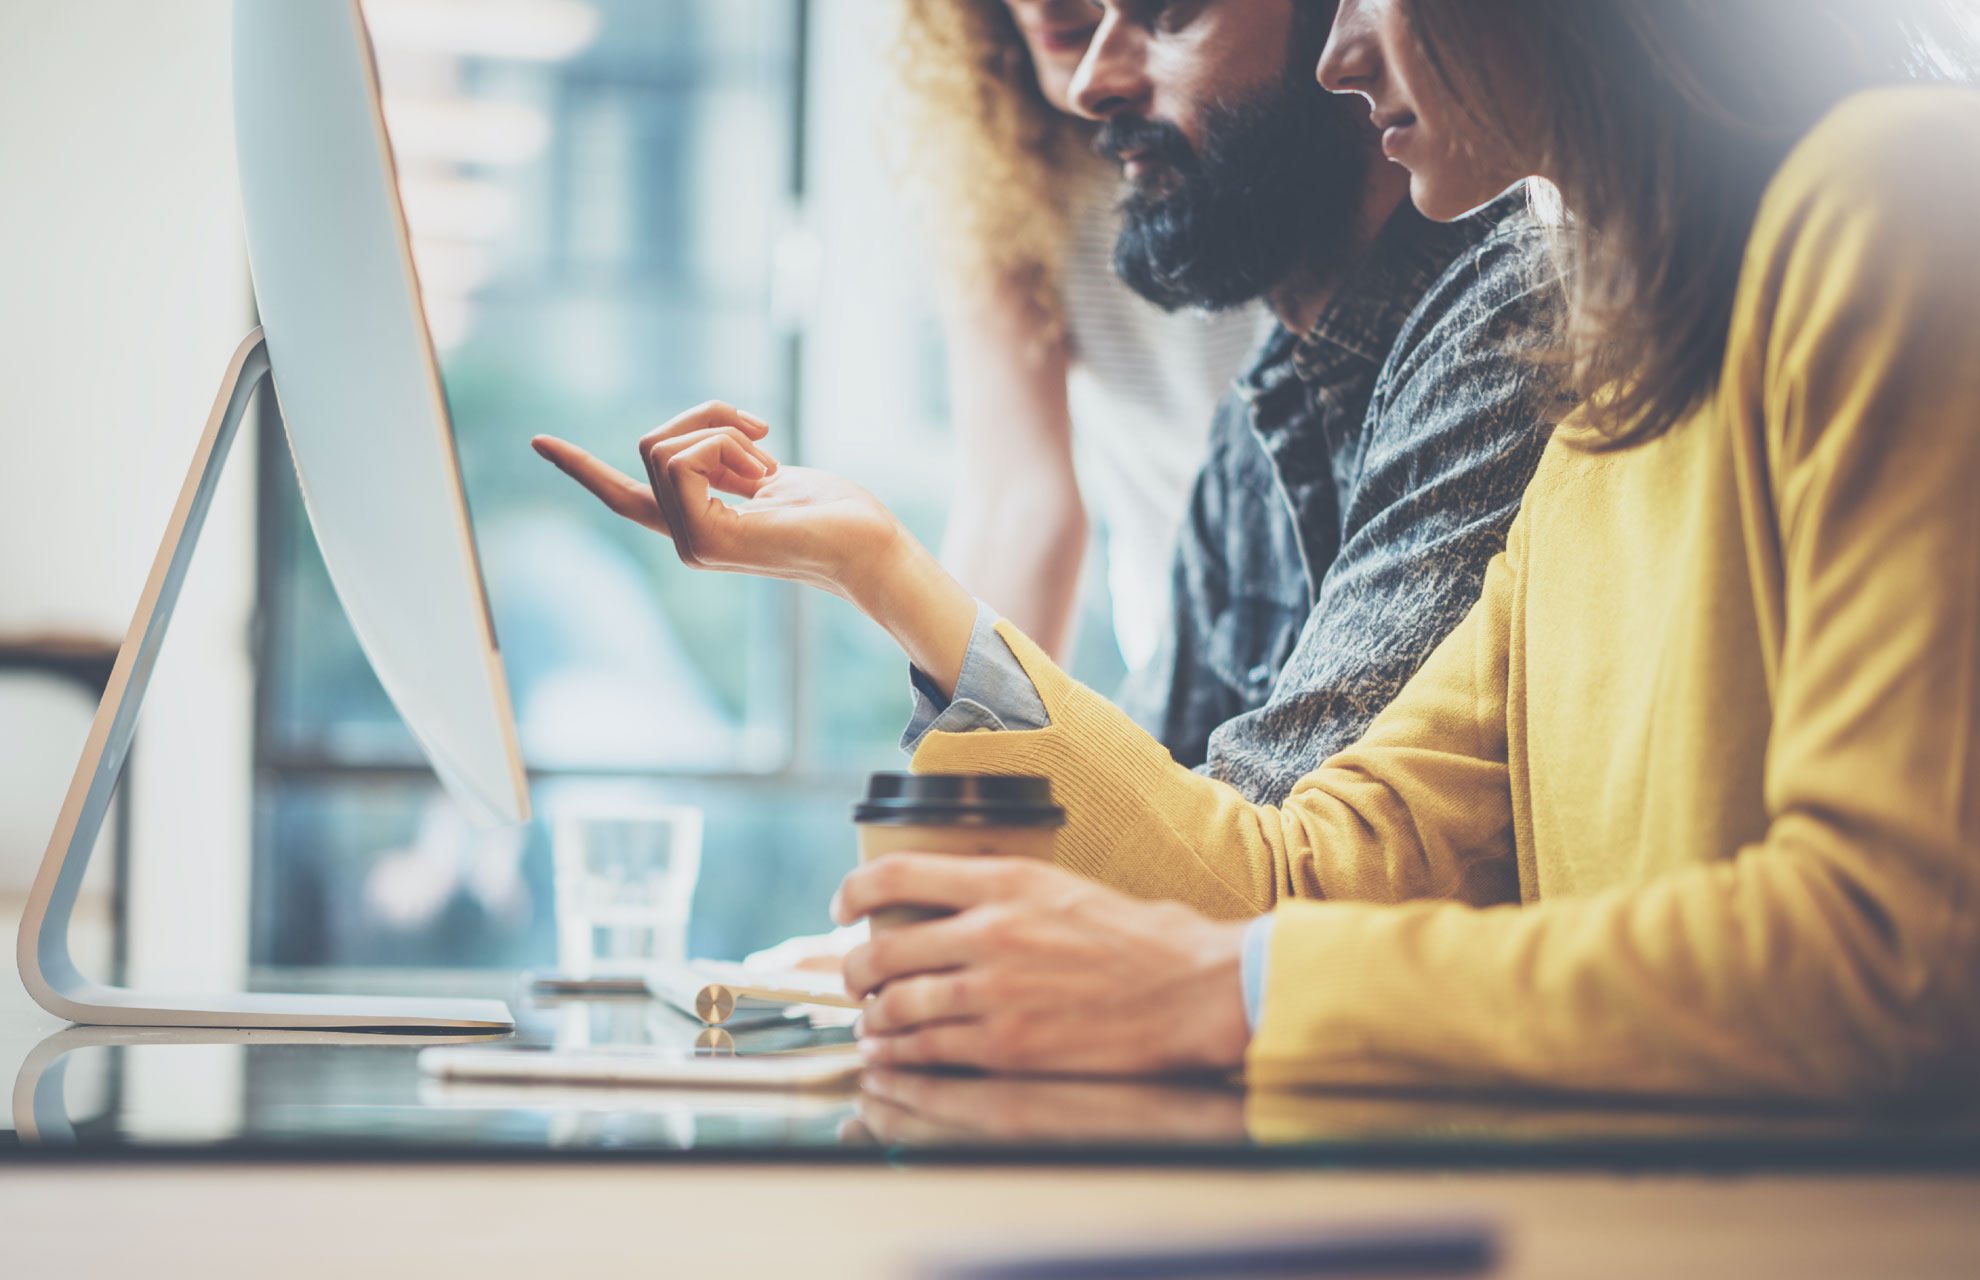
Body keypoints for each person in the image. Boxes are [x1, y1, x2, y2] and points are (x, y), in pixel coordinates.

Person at [537, 0, 1980, 1102]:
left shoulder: (1896, 197)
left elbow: (1884, 951)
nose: (1341, 53)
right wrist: (880, 569)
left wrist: (1244, 990)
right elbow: (1310, 868)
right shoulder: (1607, 378)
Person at [898, 0, 1268, 670]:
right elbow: (1017, 500)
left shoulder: (1279, 119)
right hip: (1178, 668)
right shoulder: (996, 157)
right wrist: (970, 771)